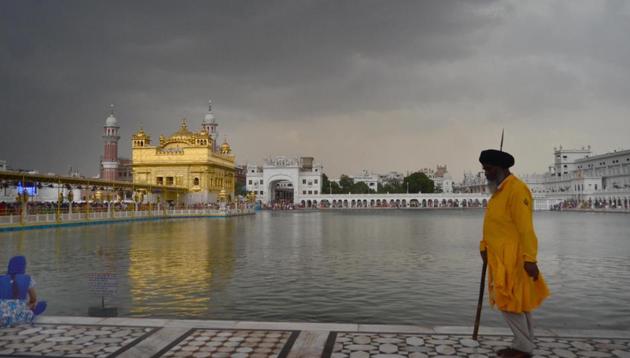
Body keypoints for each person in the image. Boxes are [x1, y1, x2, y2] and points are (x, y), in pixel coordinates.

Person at [478, 149, 550, 358]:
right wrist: (484, 246)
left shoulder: (517, 190)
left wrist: (530, 258)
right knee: (518, 302)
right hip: (499, 257)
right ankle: (525, 344)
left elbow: (525, 228)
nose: (486, 173)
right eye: (484, 169)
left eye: (489, 169)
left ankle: (523, 346)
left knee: (509, 301)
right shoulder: (498, 193)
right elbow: (493, 224)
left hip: (514, 258)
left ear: (501, 168)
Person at [0, 256, 47, 327]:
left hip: (2, 318)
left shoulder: (1, 279)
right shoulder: (28, 279)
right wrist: (29, 305)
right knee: (43, 304)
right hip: (21, 317)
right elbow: (33, 298)